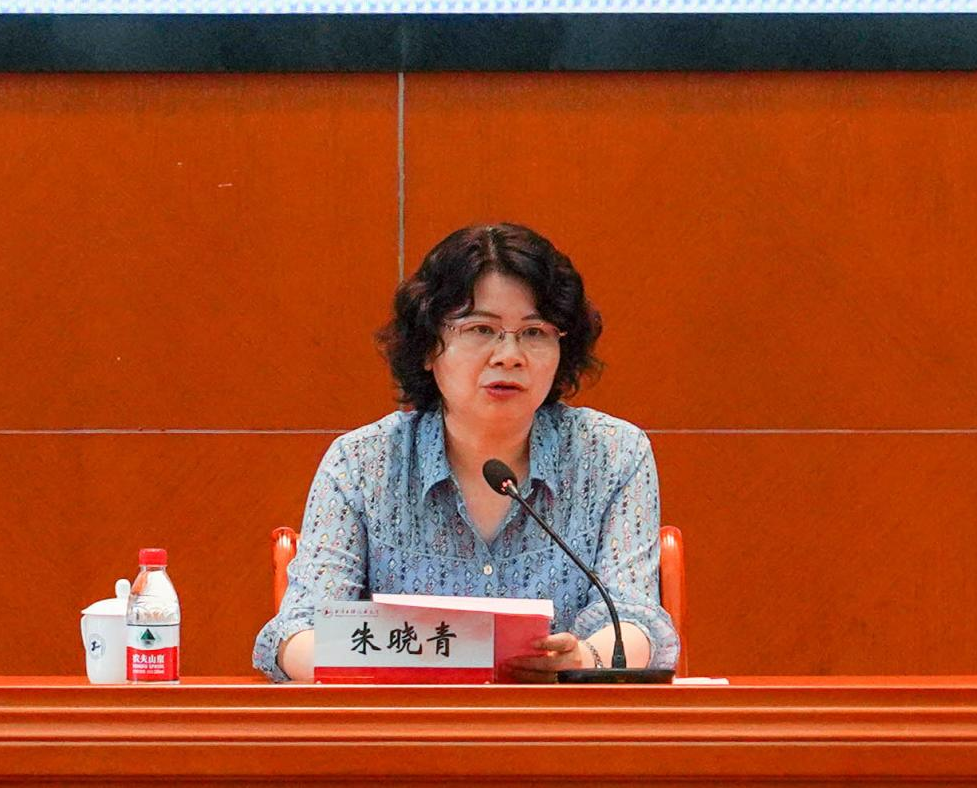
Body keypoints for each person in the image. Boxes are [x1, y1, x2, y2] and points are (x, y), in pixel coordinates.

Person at [252, 223, 678, 682]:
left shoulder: (611, 455)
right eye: (481, 329)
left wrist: (583, 661)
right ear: (428, 348)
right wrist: (397, 671)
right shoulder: (361, 465)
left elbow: (635, 620)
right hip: (406, 723)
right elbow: (297, 633)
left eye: (534, 332)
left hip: (558, 721)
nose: (509, 355)